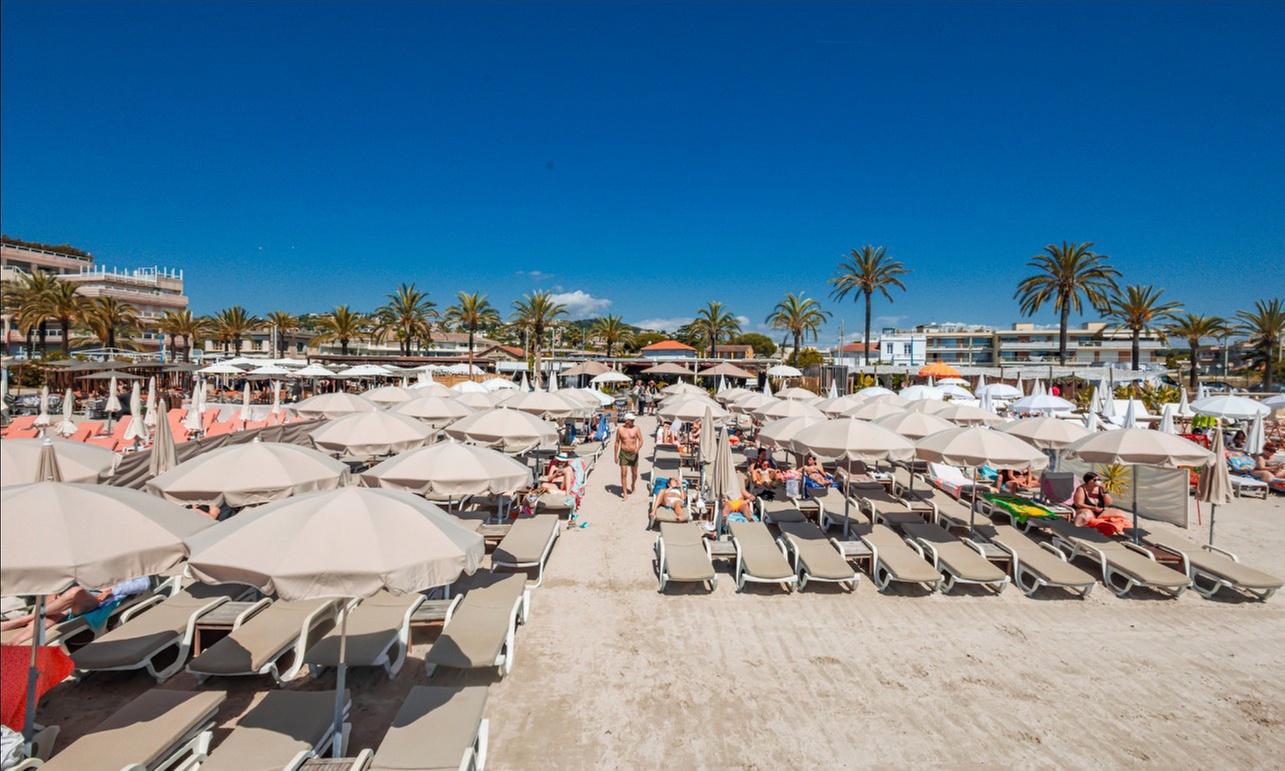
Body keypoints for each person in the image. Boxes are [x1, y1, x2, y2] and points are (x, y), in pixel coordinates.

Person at [1, 577, 150, 646]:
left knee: (75, 592)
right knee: (51, 616)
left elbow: (145, 583)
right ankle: (14, 643)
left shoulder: (131, 564)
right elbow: (75, 579)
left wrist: (113, 590)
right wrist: (59, 590)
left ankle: (20, 620)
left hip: (97, 600)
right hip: (74, 598)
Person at [615, 412, 644, 498]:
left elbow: (641, 440)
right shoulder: (620, 430)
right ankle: (625, 493)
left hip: (633, 453)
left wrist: (637, 449)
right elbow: (617, 442)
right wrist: (615, 455)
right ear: (627, 421)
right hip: (623, 453)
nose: (633, 421)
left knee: (634, 473)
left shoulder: (636, 428)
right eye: (631, 420)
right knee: (623, 473)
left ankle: (633, 485)